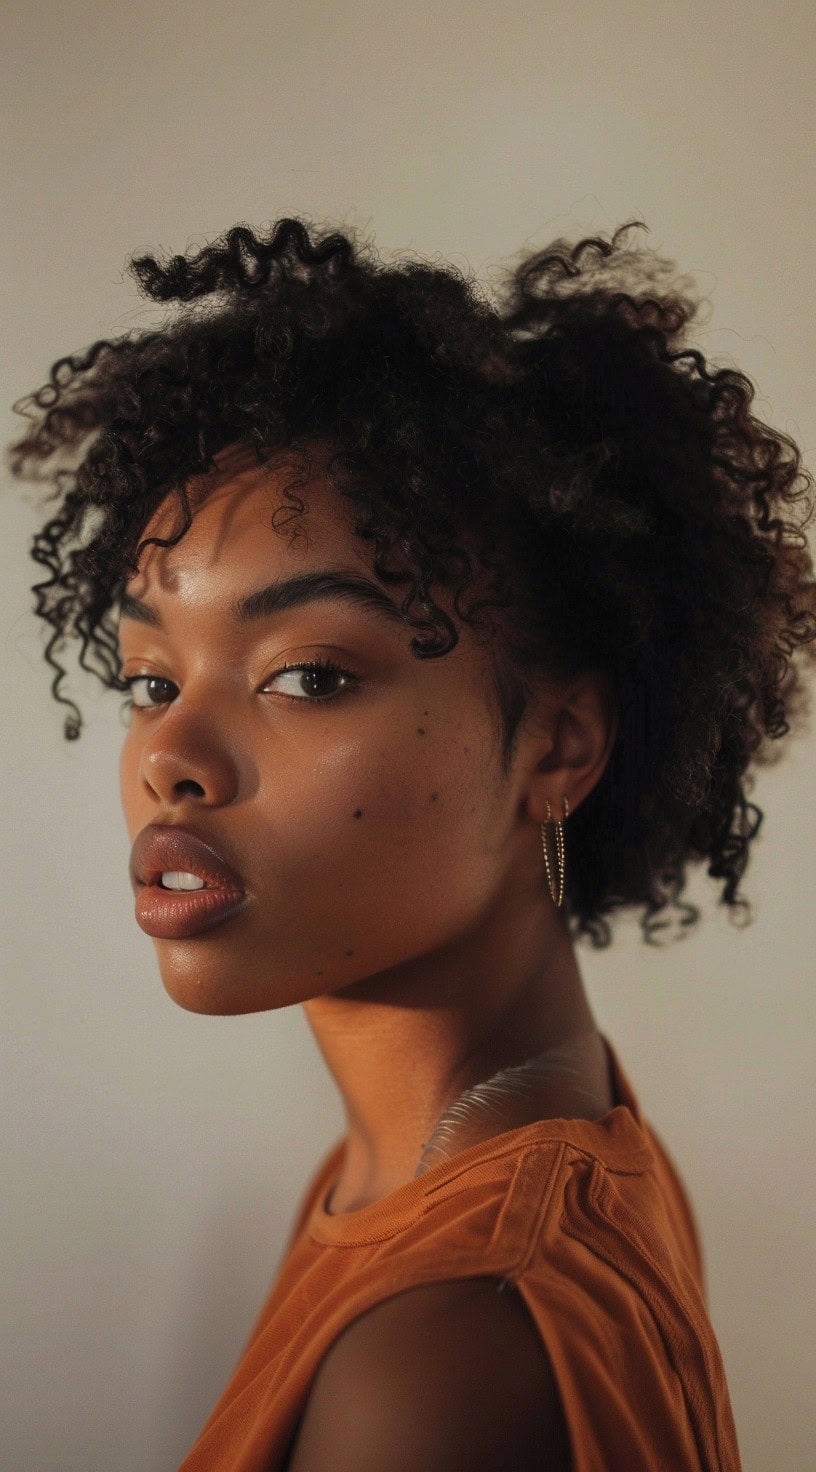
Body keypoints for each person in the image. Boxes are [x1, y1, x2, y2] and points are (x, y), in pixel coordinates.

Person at [8, 216, 816, 1471]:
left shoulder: (446, 1349)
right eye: (152, 677)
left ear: (560, 745)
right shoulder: (499, 1155)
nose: (174, 755)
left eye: (309, 674)